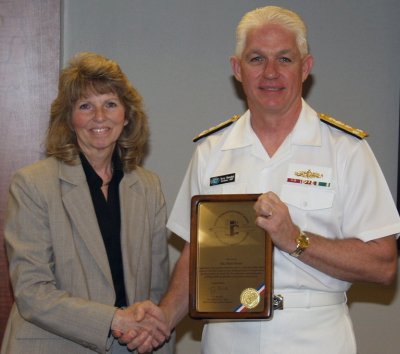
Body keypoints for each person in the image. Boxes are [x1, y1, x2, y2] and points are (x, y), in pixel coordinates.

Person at [129, 5, 399, 354]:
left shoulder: (345, 150)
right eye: (256, 59)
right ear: (237, 69)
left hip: (313, 334)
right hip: (228, 333)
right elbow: (197, 254)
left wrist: (295, 239)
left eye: (285, 59)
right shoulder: (212, 151)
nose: (270, 73)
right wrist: (162, 320)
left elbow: (384, 264)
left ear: (306, 68)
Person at [1, 52, 173, 354]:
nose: (99, 117)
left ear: (127, 114)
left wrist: (150, 332)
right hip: (54, 346)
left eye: (110, 104)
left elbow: (156, 286)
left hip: (132, 346)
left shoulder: (148, 186)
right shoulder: (32, 184)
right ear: (68, 118)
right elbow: (32, 292)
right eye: (85, 106)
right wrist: (114, 319)